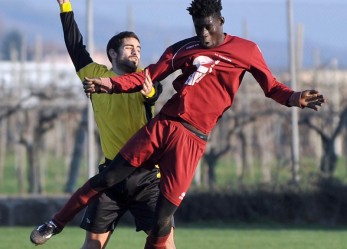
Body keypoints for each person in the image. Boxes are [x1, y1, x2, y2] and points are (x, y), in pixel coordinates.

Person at [31, 0, 326, 248]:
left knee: (162, 224)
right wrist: (109, 84)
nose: (204, 33)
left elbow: (272, 87)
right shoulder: (182, 48)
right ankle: (54, 223)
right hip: (164, 125)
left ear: (221, 21)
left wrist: (295, 97)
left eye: (209, 26)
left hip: (188, 143)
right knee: (105, 182)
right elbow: (144, 73)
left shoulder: (246, 50)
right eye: (198, 27)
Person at [30, 0, 176, 248]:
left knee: (164, 242)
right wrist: (65, 6)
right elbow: (75, 45)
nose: (136, 52)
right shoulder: (95, 75)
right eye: (129, 47)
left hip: (147, 176)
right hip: (111, 175)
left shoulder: (144, 79)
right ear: (112, 54)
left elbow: (155, 92)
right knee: (93, 243)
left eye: (138, 48)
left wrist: (151, 94)